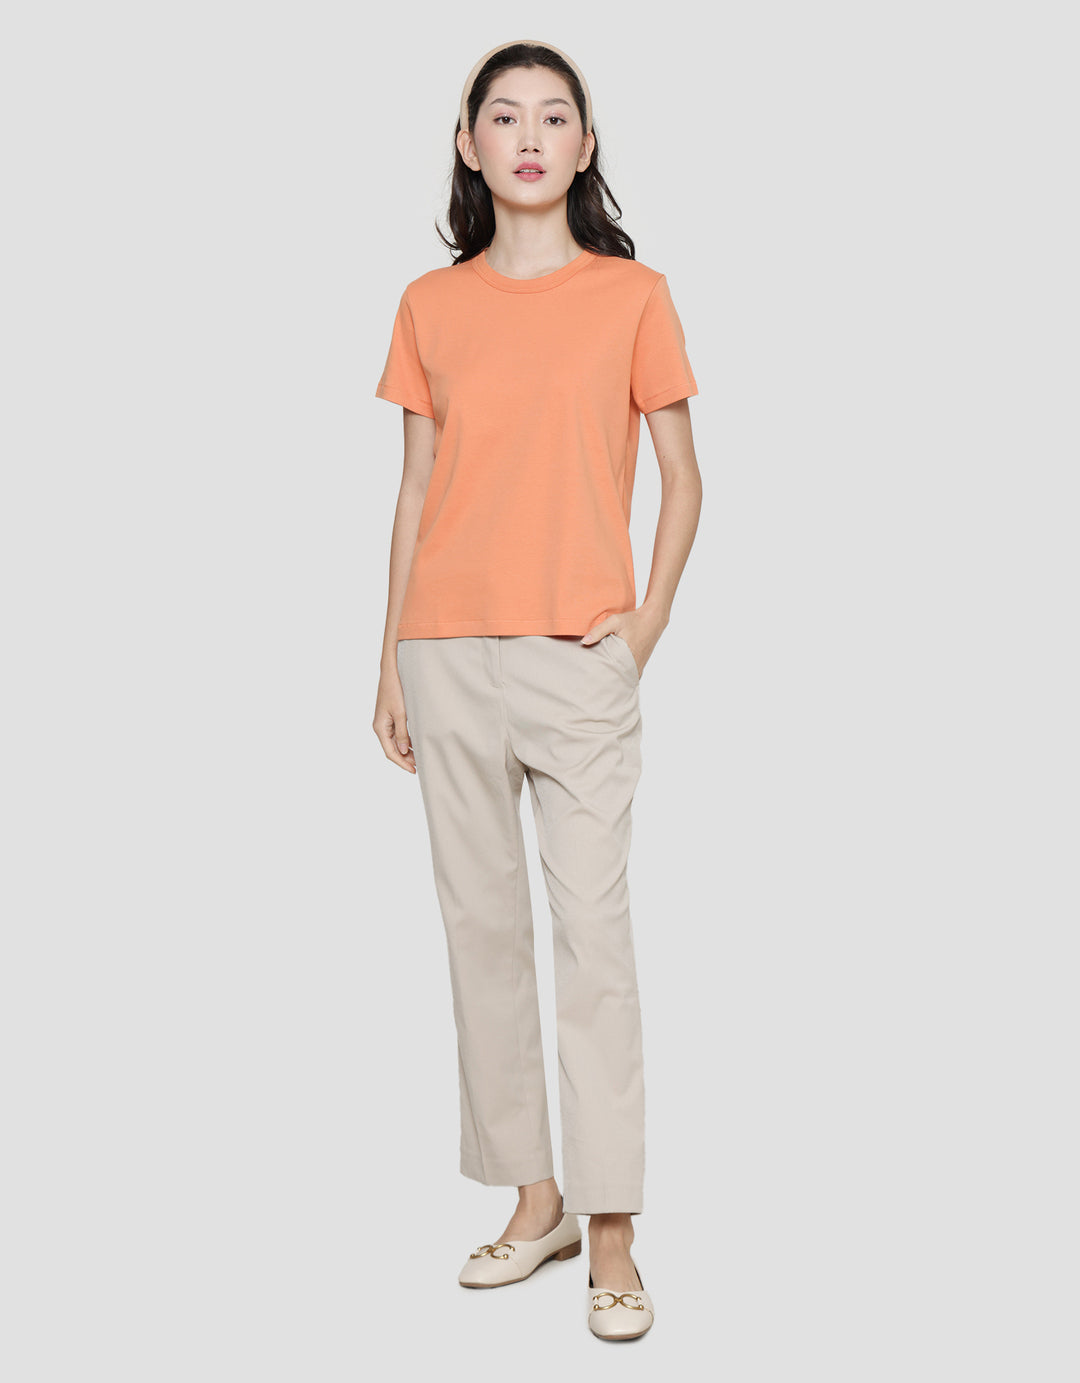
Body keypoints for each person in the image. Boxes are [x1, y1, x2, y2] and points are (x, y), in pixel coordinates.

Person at [372, 38, 702, 1341]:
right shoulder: (428, 304)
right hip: (445, 652)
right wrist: (388, 656)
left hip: (579, 657)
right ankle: (537, 1200)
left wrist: (643, 628)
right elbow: (415, 489)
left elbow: (684, 477)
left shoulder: (633, 296)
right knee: (482, 934)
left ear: (585, 145)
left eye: (553, 116)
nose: (527, 135)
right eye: (502, 116)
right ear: (469, 144)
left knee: (593, 939)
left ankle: (614, 1228)